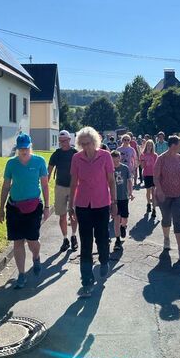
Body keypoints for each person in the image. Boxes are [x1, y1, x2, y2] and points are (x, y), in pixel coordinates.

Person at [68, 126, 116, 298]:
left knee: (102, 236)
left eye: (88, 143)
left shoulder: (105, 156)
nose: (86, 146)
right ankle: (86, 281)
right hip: (83, 204)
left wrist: (114, 203)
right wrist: (70, 205)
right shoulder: (76, 158)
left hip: (101, 203)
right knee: (86, 242)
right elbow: (74, 182)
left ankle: (104, 260)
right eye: (82, 144)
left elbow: (111, 181)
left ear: (95, 142)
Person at [0, 133, 50, 289]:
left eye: (26, 148)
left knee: (33, 240)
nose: (23, 151)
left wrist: (47, 207)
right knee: (18, 241)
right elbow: (6, 186)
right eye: (21, 148)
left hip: (34, 206)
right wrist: (1, 209)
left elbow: (45, 185)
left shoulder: (39, 161)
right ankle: (21, 274)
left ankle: (36, 256)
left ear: (30, 146)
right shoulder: (11, 163)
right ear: (17, 148)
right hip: (14, 207)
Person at [153, 135, 180, 263]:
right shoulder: (161, 159)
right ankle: (166, 238)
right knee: (166, 219)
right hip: (165, 195)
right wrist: (159, 190)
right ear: (173, 145)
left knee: (178, 219)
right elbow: (156, 177)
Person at [48, 130, 78, 252]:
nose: (62, 143)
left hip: (74, 187)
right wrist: (44, 184)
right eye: (60, 141)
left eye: (64, 141)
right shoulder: (57, 154)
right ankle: (65, 238)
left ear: (69, 140)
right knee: (62, 215)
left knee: (74, 214)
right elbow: (49, 170)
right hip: (60, 186)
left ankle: (74, 236)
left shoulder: (75, 153)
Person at [111, 150, 134, 250]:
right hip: (114, 198)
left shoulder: (125, 168)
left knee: (124, 217)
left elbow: (129, 181)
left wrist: (131, 192)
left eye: (117, 161)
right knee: (116, 218)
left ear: (120, 159)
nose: (115, 163)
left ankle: (123, 226)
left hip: (124, 197)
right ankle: (117, 240)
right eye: (113, 161)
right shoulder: (109, 169)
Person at [140, 139, 158, 217]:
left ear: (152, 146)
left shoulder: (155, 155)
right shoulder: (143, 155)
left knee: (153, 192)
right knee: (148, 191)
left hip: (154, 175)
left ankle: (154, 209)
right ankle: (148, 204)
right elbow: (142, 167)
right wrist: (143, 161)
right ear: (146, 146)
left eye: (151, 145)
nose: (149, 147)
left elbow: (157, 166)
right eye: (148, 145)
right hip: (147, 174)